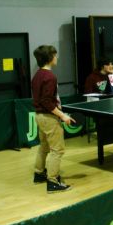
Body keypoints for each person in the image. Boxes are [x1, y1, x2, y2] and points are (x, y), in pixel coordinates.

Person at [31, 45, 75, 193]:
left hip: (39, 116)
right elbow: (46, 101)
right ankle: (53, 182)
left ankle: (39, 174)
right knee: (57, 150)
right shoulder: (50, 77)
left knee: (44, 147)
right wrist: (62, 115)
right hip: (49, 118)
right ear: (50, 58)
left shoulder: (37, 75)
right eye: (55, 55)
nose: (57, 57)